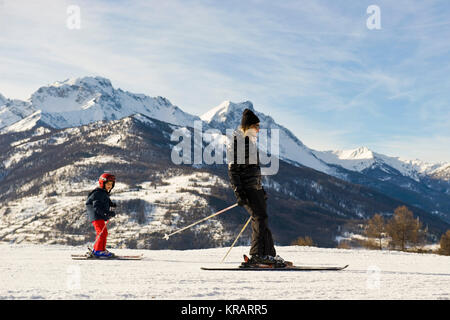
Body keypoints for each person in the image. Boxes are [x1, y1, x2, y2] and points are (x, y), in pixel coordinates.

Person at [227, 108, 286, 267]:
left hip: (256, 188)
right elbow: (233, 171)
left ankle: (268, 255)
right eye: (256, 126)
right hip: (247, 189)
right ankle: (257, 255)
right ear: (248, 126)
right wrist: (239, 192)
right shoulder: (238, 142)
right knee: (259, 218)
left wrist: (261, 189)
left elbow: (253, 170)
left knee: (263, 219)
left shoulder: (249, 142)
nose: (259, 129)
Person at [85, 173, 117, 258]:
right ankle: (98, 251)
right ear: (102, 183)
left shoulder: (103, 193)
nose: (109, 186)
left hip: (98, 215)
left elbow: (106, 201)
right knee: (102, 232)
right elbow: (97, 207)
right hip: (96, 216)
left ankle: (100, 250)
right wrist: (107, 213)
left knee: (103, 232)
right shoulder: (98, 193)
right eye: (108, 184)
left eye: (111, 184)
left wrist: (111, 205)